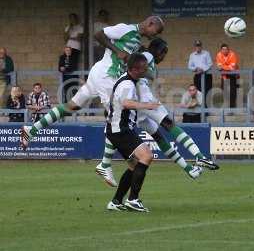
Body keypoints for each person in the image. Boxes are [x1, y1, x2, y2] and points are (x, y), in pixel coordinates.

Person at [21, 16, 164, 151]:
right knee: (118, 114)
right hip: (106, 76)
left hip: (100, 73)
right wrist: (117, 51)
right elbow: (98, 34)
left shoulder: (137, 39)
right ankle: (105, 165)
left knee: (72, 106)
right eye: (155, 32)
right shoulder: (127, 29)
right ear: (150, 23)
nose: (154, 36)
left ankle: (32, 130)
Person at [96, 38, 215, 187]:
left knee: (155, 136)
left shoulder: (144, 58)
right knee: (168, 124)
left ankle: (189, 168)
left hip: (138, 107)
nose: (163, 58)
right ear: (160, 51)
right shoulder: (148, 56)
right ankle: (199, 156)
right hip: (143, 97)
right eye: (164, 54)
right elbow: (138, 66)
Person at [106, 53, 159, 212]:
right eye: (144, 68)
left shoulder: (127, 79)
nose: (146, 70)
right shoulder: (127, 84)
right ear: (135, 69)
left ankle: (116, 201)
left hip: (117, 129)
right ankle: (133, 199)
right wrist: (147, 105)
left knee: (134, 165)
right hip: (120, 129)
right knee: (147, 156)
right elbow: (126, 103)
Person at [187, 40, 212, 106]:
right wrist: (195, 69)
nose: (198, 47)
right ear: (194, 47)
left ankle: (206, 110)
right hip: (197, 75)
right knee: (198, 92)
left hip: (206, 75)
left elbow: (210, 64)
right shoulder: (192, 55)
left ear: (201, 46)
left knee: (207, 91)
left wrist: (203, 69)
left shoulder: (206, 53)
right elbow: (189, 66)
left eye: (199, 46)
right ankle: (200, 108)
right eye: (196, 46)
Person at [215, 43, 240, 108]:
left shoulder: (232, 54)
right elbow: (219, 67)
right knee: (225, 92)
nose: (225, 51)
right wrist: (226, 67)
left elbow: (232, 67)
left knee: (232, 92)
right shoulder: (219, 55)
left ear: (228, 50)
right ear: (221, 50)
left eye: (226, 49)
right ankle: (227, 107)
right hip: (224, 76)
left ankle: (232, 108)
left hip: (233, 75)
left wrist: (223, 67)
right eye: (223, 49)